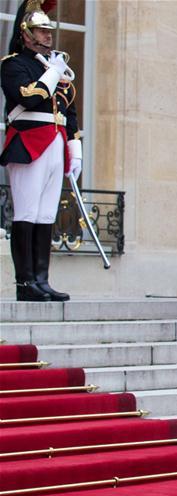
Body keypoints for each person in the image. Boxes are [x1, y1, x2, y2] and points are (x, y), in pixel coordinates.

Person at [1, 0, 81, 302]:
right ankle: (25, 284)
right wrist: (52, 73)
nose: (48, 35)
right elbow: (29, 97)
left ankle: (41, 279)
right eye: (40, 30)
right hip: (29, 142)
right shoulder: (13, 64)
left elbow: (69, 110)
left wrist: (75, 147)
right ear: (25, 33)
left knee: (47, 214)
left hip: (56, 142)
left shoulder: (53, 66)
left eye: (49, 30)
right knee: (27, 212)